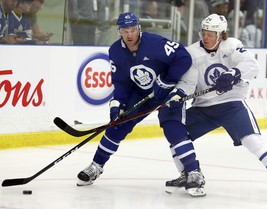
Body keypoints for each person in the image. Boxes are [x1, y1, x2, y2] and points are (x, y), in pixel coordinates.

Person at [77, 12, 206, 197]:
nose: (129, 34)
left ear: (138, 29)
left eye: (132, 30)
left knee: (173, 127)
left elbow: (183, 57)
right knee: (117, 126)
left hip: (167, 92)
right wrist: (118, 104)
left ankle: (194, 172)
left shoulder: (154, 43)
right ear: (119, 31)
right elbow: (121, 82)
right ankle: (96, 166)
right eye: (124, 30)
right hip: (140, 93)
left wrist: (168, 80)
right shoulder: (115, 51)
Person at [165, 14, 267, 202]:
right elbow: (189, 82)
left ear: (221, 35)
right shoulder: (192, 52)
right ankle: (189, 173)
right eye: (204, 33)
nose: (205, 37)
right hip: (203, 107)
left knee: (253, 141)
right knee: (175, 133)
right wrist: (179, 94)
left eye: (211, 34)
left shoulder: (232, 46)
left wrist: (233, 73)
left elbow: (251, 64)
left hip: (232, 105)